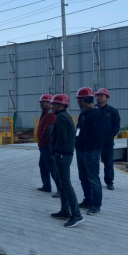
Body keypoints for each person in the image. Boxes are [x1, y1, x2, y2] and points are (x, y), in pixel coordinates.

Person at [49, 94, 84, 228]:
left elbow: (62, 137)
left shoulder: (61, 118)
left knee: (66, 184)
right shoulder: (64, 116)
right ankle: (65, 211)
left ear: (61, 105)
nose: (52, 107)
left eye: (54, 105)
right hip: (64, 154)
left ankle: (76, 215)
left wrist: (57, 152)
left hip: (63, 155)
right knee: (62, 184)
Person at [75, 87, 104, 215]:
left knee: (93, 178)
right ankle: (88, 200)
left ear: (84, 100)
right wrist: (76, 141)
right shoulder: (83, 114)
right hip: (81, 150)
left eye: (79, 99)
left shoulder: (96, 114)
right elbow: (78, 129)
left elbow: (96, 134)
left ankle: (96, 205)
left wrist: (89, 149)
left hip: (91, 152)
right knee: (83, 177)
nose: (77, 102)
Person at [96, 88, 120, 190]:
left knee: (109, 163)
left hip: (107, 142)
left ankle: (109, 182)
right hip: (95, 142)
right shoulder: (93, 110)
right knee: (93, 163)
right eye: (98, 96)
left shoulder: (113, 111)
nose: (99, 97)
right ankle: (94, 181)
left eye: (102, 96)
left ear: (107, 97)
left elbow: (116, 125)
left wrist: (110, 135)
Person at [36, 94, 59, 197]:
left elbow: (48, 129)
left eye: (43, 102)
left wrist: (42, 138)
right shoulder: (45, 113)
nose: (41, 104)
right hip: (43, 145)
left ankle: (60, 189)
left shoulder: (50, 114)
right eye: (41, 102)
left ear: (49, 103)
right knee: (43, 165)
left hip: (47, 145)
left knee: (51, 166)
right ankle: (46, 186)